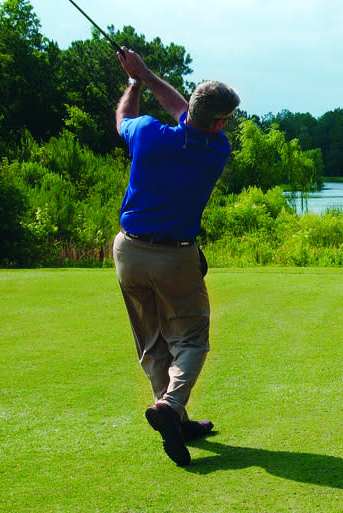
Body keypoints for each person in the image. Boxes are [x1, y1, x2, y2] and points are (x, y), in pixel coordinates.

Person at [112, 47, 239, 467]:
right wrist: (145, 73)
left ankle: (175, 418)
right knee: (191, 339)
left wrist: (136, 80)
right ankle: (169, 406)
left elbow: (123, 120)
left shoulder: (147, 134)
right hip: (175, 258)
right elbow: (186, 111)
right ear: (218, 123)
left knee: (151, 340)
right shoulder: (215, 150)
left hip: (128, 251)